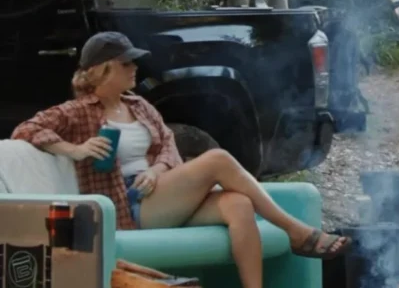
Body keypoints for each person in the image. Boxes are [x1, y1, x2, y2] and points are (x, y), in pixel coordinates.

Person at [12, 31, 349, 288]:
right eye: (126, 63)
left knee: (237, 205)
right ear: (103, 70)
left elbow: (168, 146)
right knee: (217, 159)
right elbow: (26, 130)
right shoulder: (75, 112)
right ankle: (295, 231)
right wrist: (75, 150)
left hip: (156, 193)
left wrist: (158, 169)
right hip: (126, 205)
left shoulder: (139, 106)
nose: (135, 68)